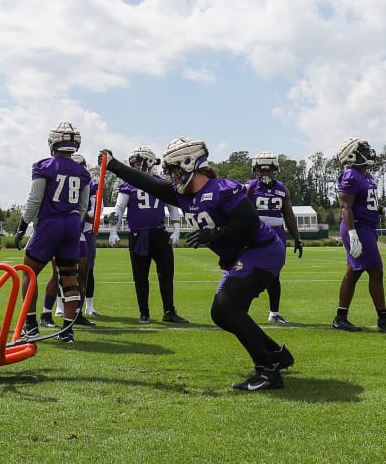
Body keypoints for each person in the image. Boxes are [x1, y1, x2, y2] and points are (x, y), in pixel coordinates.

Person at [104, 137, 292, 392]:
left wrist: (217, 234)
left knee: (227, 308)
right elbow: (147, 183)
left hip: (261, 250)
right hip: (244, 255)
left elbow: (248, 221)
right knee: (222, 314)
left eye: (173, 170)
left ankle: (268, 371)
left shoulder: (222, 188)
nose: (171, 176)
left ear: (189, 163)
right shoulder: (183, 195)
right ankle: (274, 354)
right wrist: (113, 165)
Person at [15, 122, 92, 343]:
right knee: (69, 278)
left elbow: (35, 200)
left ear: (53, 143)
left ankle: (30, 326)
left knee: (29, 273)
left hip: (50, 223)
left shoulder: (44, 166)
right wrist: (72, 224)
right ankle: (67, 331)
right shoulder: (83, 173)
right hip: (71, 225)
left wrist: (22, 226)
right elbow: (83, 206)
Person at [109, 146, 188, 325]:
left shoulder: (161, 183)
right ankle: (144, 313)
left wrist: (176, 231)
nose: (135, 167)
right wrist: (113, 230)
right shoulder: (128, 184)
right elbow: (119, 208)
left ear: (149, 162)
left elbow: (173, 207)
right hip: (138, 235)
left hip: (160, 234)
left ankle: (169, 311)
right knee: (140, 277)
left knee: (166, 275)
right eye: (134, 164)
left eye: (139, 163)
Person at [330, 139, 386, 334]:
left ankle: (340, 317)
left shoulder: (366, 175)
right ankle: (383, 320)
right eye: (363, 150)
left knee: (353, 273)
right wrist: (352, 233)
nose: (368, 152)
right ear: (353, 155)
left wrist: (383, 210)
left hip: (366, 228)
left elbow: (365, 204)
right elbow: (346, 207)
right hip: (358, 228)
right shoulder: (351, 174)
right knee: (376, 272)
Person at [244, 151, 304, 324]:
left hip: (277, 234)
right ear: (256, 170)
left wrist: (297, 238)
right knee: (249, 273)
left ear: (274, 170)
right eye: (262, 171)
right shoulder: (249, 187)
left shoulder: (282, 188)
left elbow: (289, 215)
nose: (265, 174)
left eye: (268, 170)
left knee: (274, 275)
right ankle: (242, 311)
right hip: (256, 233)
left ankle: (274, 314)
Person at [41, 153, 96, 327]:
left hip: (76, 232)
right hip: (59, 230)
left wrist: (95, 217)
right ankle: (46, 313)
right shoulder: (56, 180)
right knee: (59, 274)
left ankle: (76, 313)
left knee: (80, 275)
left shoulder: (87, 183)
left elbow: (87, 211)